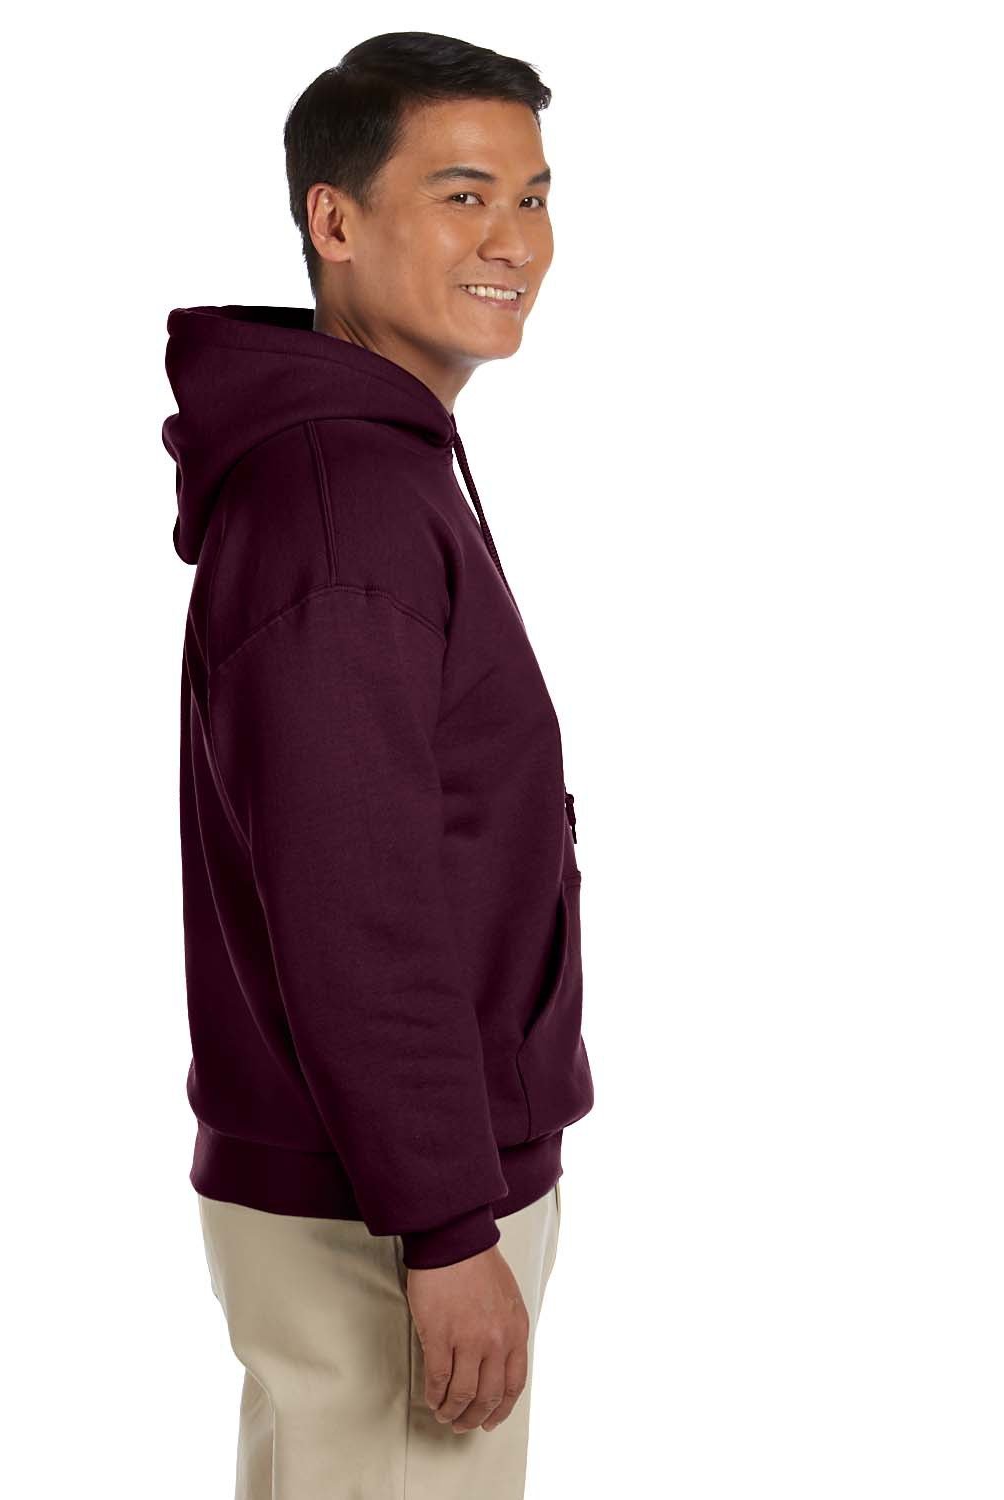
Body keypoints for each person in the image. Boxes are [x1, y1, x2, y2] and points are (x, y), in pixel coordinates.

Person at [161, 30, 594, 1500]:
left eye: (534, 197)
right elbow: (357, 901)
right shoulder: (344, 507)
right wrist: (450, 1228)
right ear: (333, 221)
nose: (514, 242)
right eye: (464, 196)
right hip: (389, 1209)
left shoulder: (372, 468)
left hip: (388, 1183)